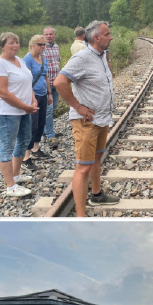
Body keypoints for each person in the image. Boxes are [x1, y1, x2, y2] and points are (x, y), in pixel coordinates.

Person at [54, 20, 120, 216]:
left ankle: (97, 194)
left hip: (101, 118)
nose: (111, 37)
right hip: (86, 122)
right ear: (97, 38)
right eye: (108, 34)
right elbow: (59, 82)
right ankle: (81, 216)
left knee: (97, 158)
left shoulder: (101, 56)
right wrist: (77, 106)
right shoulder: (82, 57)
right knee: (83, 168)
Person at [0, 32, 39, 197]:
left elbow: (27, 83)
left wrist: (32, 101)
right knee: (7, 146)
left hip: (24, 109)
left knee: (24, 140)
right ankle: (10, 186)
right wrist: (25, 106)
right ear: (3, 45)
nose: (15, 45)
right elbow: (3, 92)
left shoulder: (21, 61)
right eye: (11, 43)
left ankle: (16, 175)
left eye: (17, 42)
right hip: (7, 112)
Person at [22, 35, 52, 169]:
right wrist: (32, 98)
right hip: (31, 97)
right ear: (32, 45)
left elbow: (46, 77)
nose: (43, 47)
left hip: (43, 95)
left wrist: (49, 93)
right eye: (40, 44)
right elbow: (26, 80)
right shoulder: (27, 60)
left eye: (44, 45)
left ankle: (36, 149)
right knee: (32, 125)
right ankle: (25, 156)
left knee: (41, 123)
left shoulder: (43, 60)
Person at [42, 26, 61, 148]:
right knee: (48, 110)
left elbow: (57, 62)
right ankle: (50, 135)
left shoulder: (56, 47)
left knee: (53, 107)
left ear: (54, 35)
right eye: (46, 34)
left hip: (56, 82)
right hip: (46, 84)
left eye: (50, 34)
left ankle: (45, 130)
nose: (48, 36)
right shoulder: (41, 48)